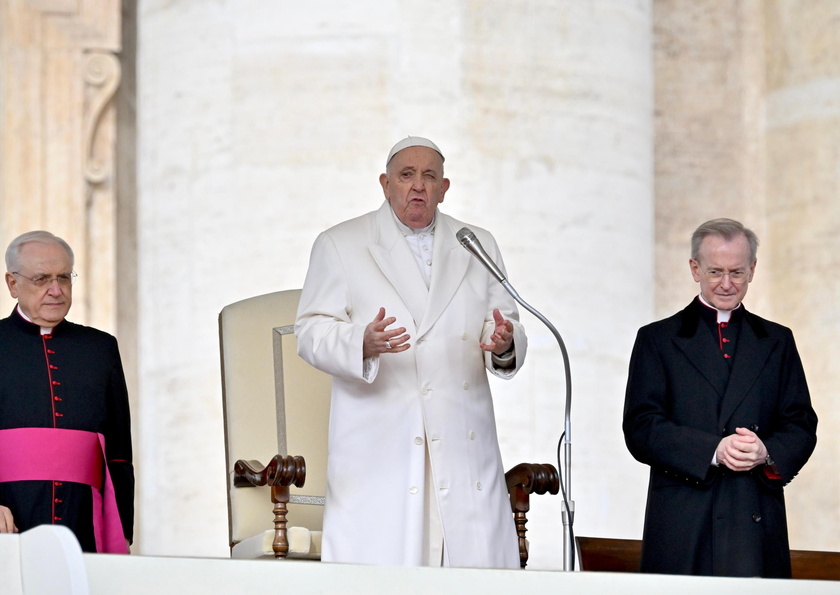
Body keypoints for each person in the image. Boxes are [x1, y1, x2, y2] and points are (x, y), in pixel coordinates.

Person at [295, 136, 526, 568]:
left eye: (429, 176)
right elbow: (309, 332)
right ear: (385, 184)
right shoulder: (341, 243)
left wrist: (505, 343)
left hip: (464, 447)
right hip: (383, 448)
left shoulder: (477, 243)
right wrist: (359, 342)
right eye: (406, 175)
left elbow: (504, 322)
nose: (418, 185)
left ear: (444, 187)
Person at [623, 218, 817, 577]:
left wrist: (767, 451)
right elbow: (641, 427)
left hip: (754, 515)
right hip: (684, 520)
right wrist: (713, 450)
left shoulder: (778, 341)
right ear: (695, 269)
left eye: (737, 272)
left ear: (753, 270)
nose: (727, 284)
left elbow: (801, 424)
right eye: (715, 271)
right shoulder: (657, 339)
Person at [0, 231, 134, 553]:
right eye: (42, 279)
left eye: (64, 277)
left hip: (83, 520)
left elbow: (119, 449)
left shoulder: (101, 348)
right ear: (13, 284)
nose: (56, 290)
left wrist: (122, 528)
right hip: (9, 518)